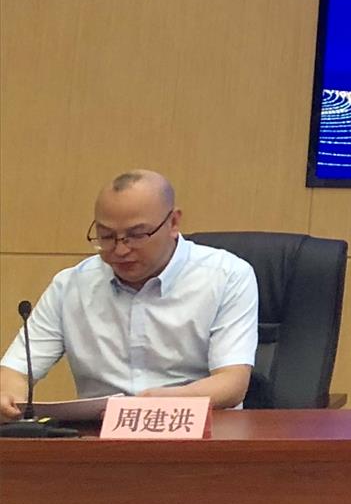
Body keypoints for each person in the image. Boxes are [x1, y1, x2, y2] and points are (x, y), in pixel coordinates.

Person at [0, 170, 259, 419]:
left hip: (199, 432)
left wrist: (155, 403)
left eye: (136, 236)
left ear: (173, 222)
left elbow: (231, 383)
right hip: (98, 435)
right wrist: (7, 396)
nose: (121, 250)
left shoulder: (226, 276)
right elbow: (15, 370)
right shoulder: (72, 285)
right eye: (106, 236)